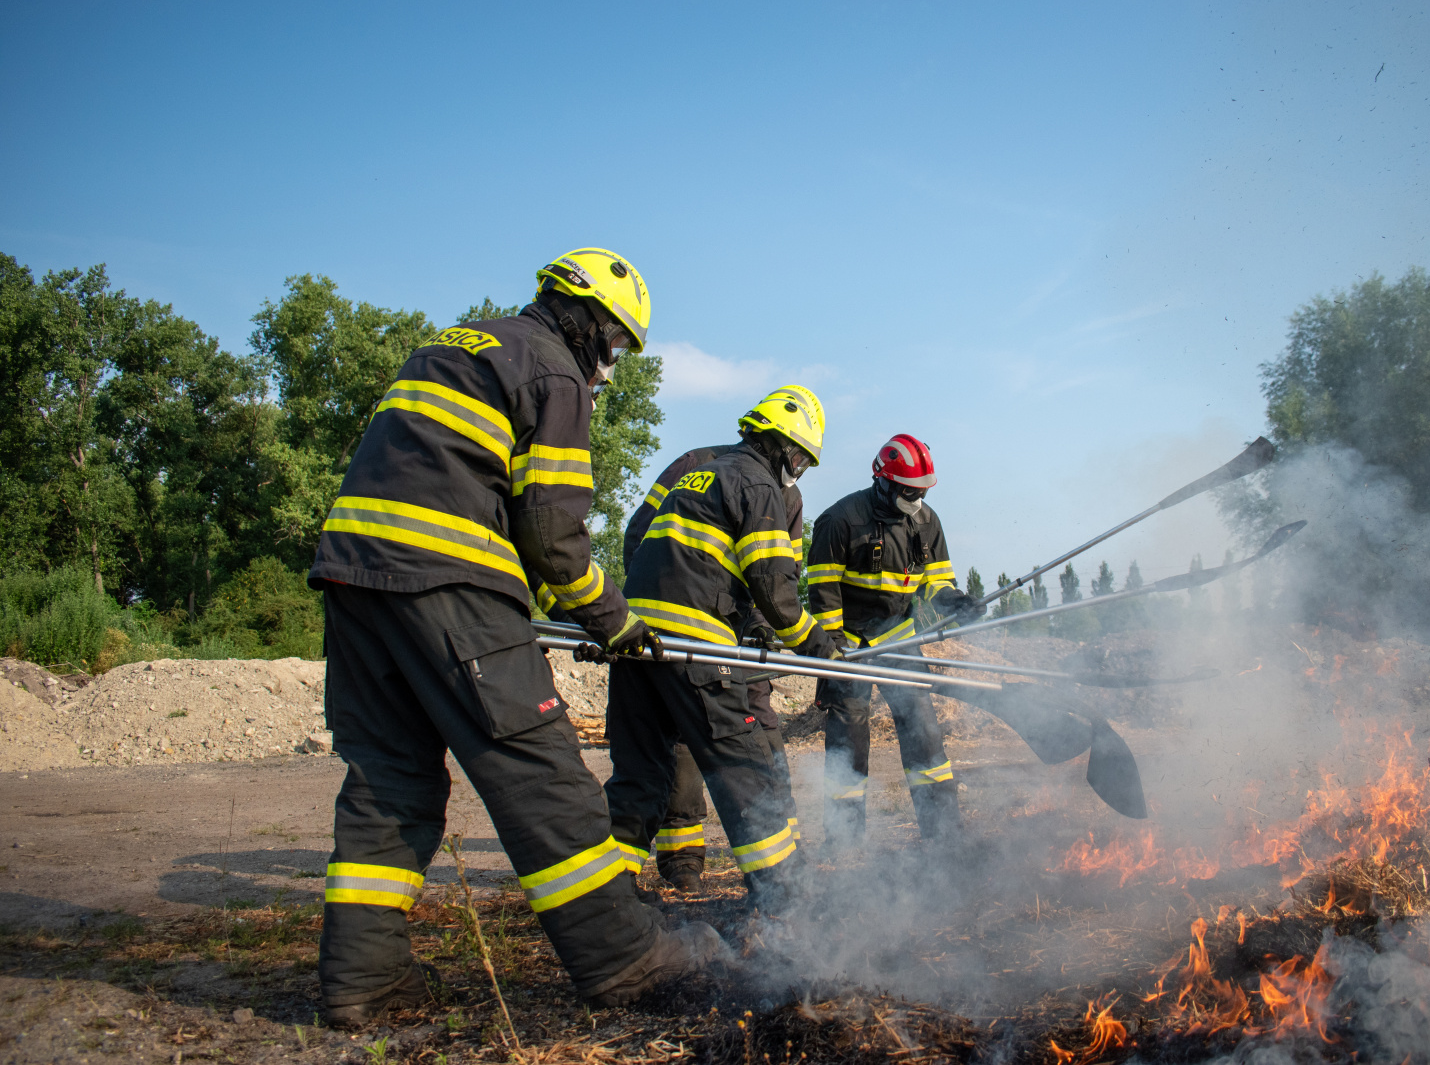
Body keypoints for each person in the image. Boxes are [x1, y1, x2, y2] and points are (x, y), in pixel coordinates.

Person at [308, 248, 724, 1027]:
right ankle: (624, 958)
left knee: (390, 780)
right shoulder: (553, 370)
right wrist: (614, 621)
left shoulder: (456, 343)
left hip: (354, 578)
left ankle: (362, 980)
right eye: (616, 346)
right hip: (453, 580)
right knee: (543, 775)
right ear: (591, 322)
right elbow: (552, 532)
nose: (609, 366)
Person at [596, 386, 836, 914]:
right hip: (698, 646)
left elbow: (640, 540)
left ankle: (608, 905)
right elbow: (777, 594)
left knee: (641, 774)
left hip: (638, 641)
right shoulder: (759, 484)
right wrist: (821, 649)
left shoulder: (699, 472)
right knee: (742, 770)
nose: (798, 469)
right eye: (797, 457)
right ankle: (789, 901)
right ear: (776, 445)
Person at [806, 434, 981, 849]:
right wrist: (835, 651)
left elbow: (937, 580)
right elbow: (823, 589)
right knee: (849, 740)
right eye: (909, 491)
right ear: (882, 480)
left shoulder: (926, 521)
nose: (916, 500)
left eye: (922, 491)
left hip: (899, 639)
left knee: (923, 729)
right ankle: (844, 844)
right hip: (849, 645)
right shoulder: (840, 520)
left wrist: (955, 601)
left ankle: (943, 834)